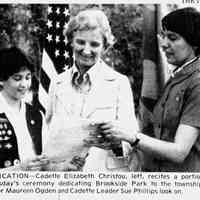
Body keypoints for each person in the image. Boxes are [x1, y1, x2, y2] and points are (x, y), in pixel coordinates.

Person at [98, 7, 200, 172]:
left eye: (172, 38)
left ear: (194, 42)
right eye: (164, 36)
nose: (164, 44)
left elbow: (179, 152)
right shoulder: (178, 77)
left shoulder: (196, 82)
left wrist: (131, 136)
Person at [46, 9, 139, 171]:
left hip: (103, 177)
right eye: (80, 42)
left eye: (94, 44)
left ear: (105, 47)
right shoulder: (57, 82)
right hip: (65, 176)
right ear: (70, 41)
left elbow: (130, 141)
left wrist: (116, 138)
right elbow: (49, 133)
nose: (86, 50)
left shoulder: (119, 83)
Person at [0, 46, 48, 170]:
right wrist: (20, 169)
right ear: (1, 79)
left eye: (28, 77)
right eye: (17, 78)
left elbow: (46, 157)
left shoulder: (36, 115)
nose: (24, 85)